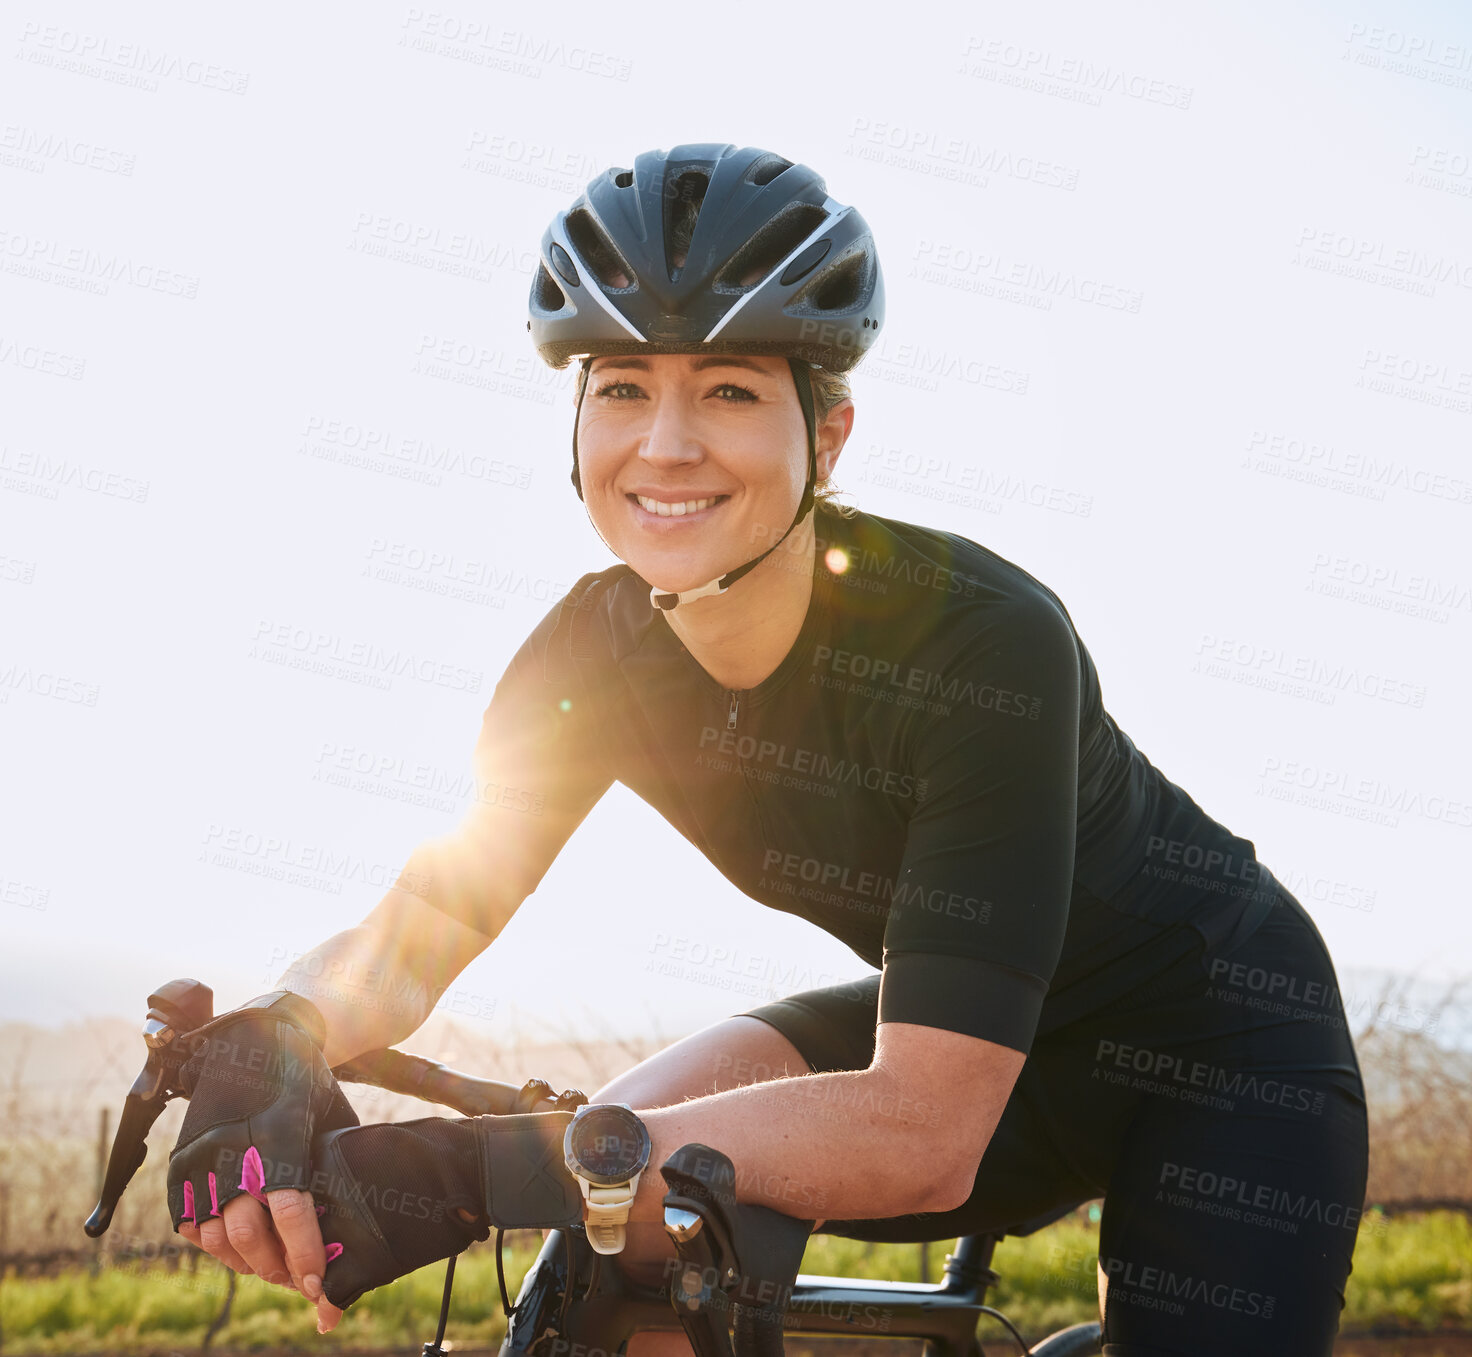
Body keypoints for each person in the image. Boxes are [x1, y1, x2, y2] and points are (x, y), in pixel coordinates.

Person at [169, 143, 1369, 1356]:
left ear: (828, 434)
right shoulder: (585, 655)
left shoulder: (983, 643)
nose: (667, 446)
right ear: (576, 417)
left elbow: (922, 1129)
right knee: (598, 1210)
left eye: (730, 391)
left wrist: (455, 1170)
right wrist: (280, 1030)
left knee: (575, 1162)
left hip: (1211, 1045)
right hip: (947, 1015)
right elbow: (425, 922)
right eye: (624, 387)